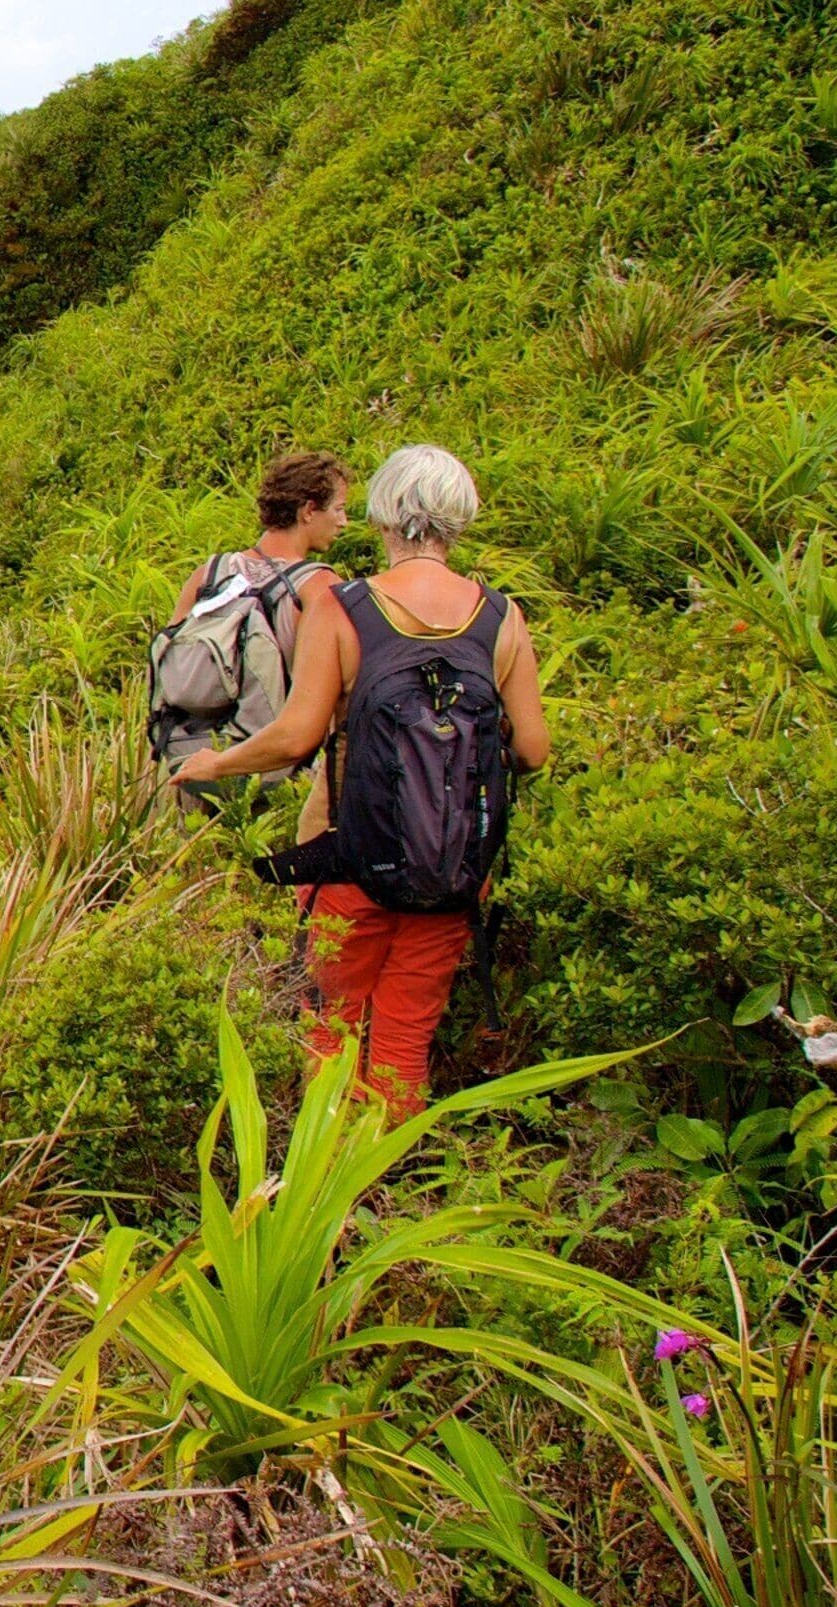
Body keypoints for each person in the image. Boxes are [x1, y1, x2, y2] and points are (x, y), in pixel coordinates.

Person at [173, 445, 550, 1116]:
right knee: (407, 1027)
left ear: (384, 517)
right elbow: (533, 750)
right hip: (454, 863)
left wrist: (214, 763)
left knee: (331, 1019)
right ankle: (392, 1173)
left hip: (346, 850)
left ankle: (331, 1181)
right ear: (459, 519)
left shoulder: (346, 608)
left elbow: (296, 735)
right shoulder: (502, 617)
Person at [145, 452, 351, 792]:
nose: (344, 522)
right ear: (309, 510)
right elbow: (334, 701)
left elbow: (165, 668)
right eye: (339, 509)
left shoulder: (209, 574)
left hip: (191, 765)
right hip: (275, 778)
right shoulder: (318, 588)